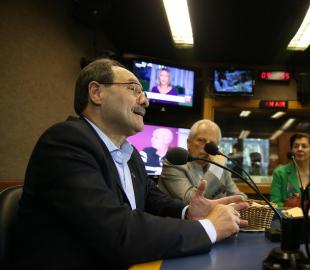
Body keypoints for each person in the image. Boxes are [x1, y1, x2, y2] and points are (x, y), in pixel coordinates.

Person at [13, 59, 248, 269]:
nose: (145, 100)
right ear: (96, 93)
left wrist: (188, 211)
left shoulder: (132, 155)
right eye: (134, 89)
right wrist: (209, 228)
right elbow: (116, 231)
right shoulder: (66, 143)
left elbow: (154, 200)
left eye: (143, 92)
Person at [158, 119, 247, 203]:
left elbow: (240, 197)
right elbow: (190, 201)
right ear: (189, 142)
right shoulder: (174, 164)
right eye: (201, 140)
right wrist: (215, 168)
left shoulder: (221, 168)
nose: (206, 148)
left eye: (211, 144)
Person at [270, 133, 310, 208]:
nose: (299, 149)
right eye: (296, 146)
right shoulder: (280, 173)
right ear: (292, 150)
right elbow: (275, 203)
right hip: (288, 217)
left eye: (304, 146)